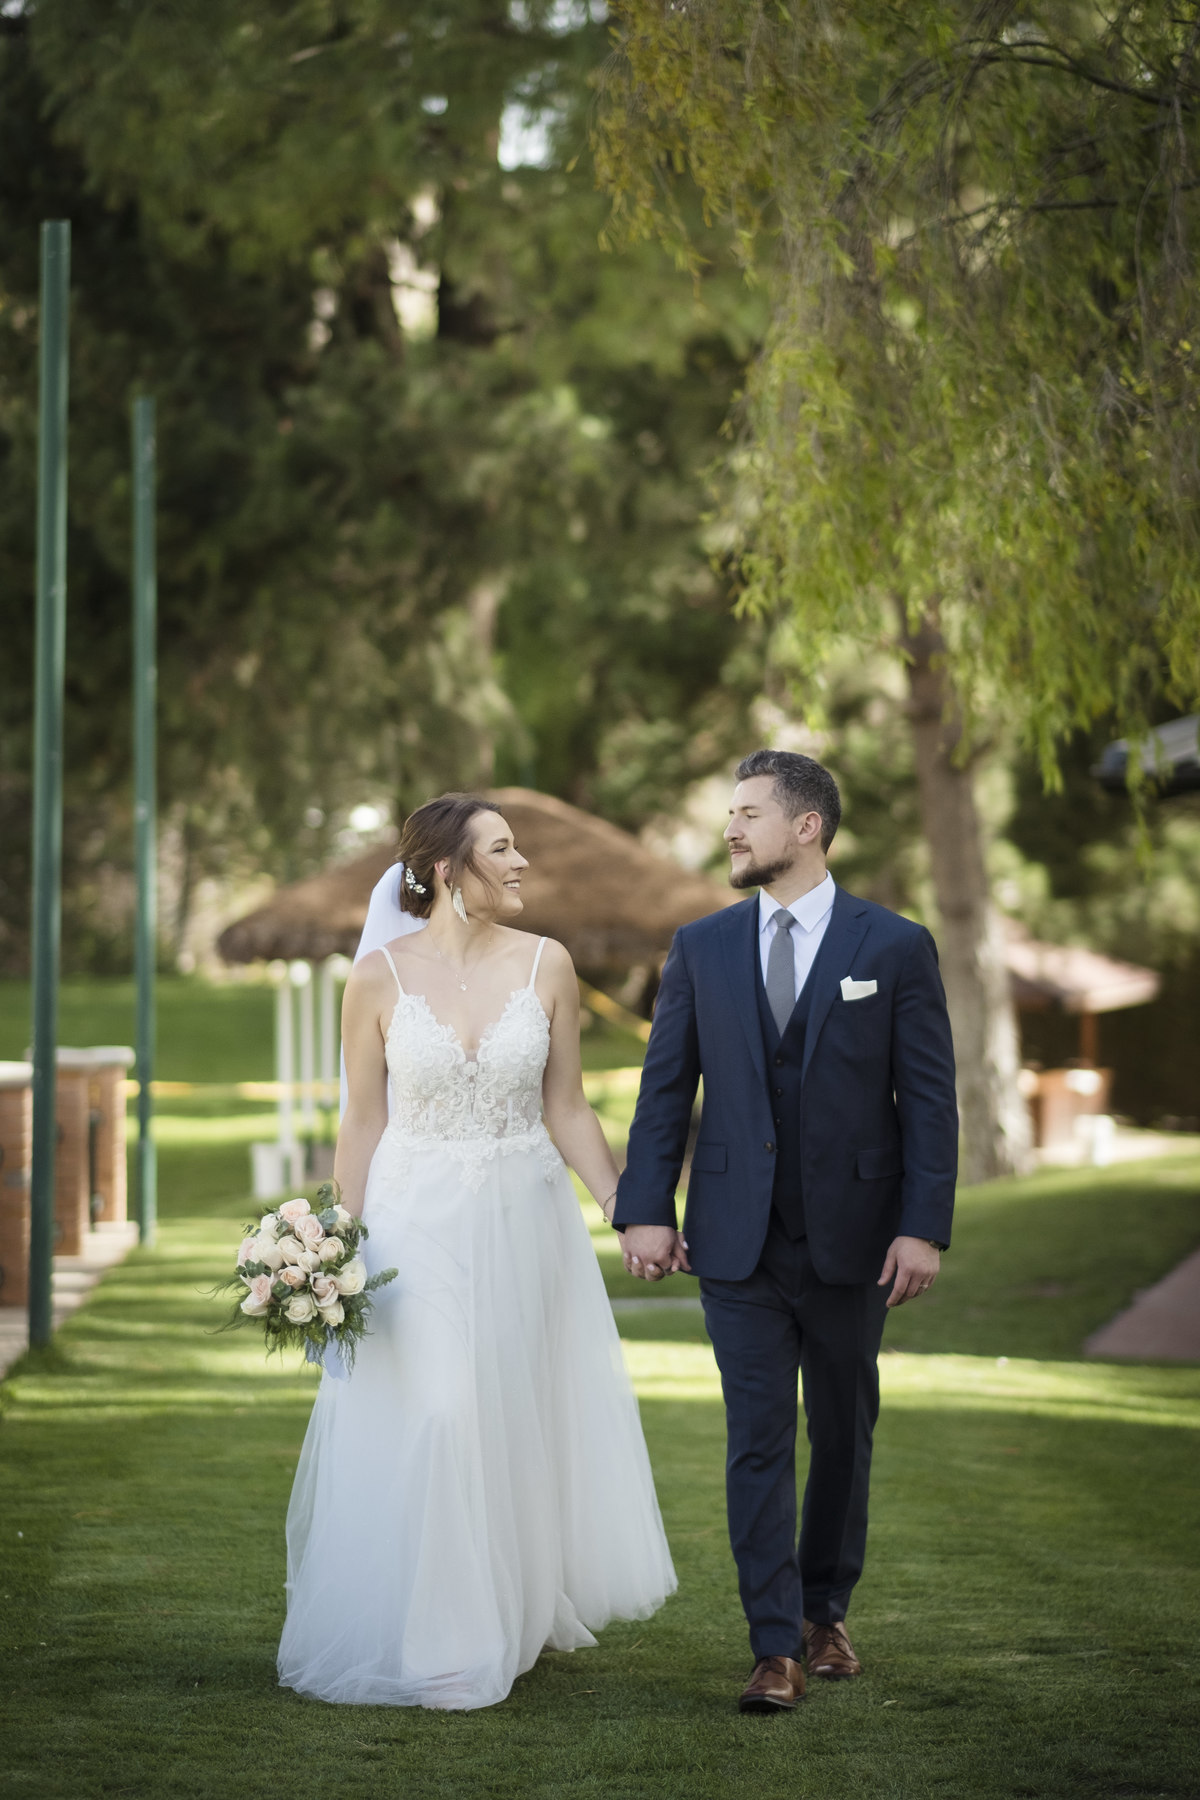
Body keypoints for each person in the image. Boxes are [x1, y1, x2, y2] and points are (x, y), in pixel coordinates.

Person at [278, 793, 676, 1709]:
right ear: (449, 872)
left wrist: (624, 1208)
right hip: (414, 1225)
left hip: (524, 1218)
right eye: (504, 848)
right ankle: (443, 1643)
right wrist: (337, 1245)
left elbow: (566, 1105)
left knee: (506, 1414)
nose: (524, 861)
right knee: (442, 1413)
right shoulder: (376, 977)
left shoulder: (550, 965)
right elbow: (364, 1120)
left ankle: (511, 1609)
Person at [614, 749, 957, 1714]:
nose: (731, 829)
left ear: (807, 827)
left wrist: (923, 1226)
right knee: (757, 1438)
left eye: (749, 814)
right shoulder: (701, 946)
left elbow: (930, 1101)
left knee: (844, 1431)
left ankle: (825, 1610)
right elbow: (664, 1087)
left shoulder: (893, 946)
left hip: (855, 1238)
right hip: (736, 1241)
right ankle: (774, 1646)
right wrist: (646, 1205)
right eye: (729, 813)